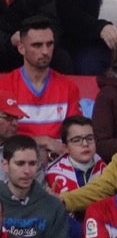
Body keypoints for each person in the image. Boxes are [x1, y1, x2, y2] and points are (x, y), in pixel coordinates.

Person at [0, 17, 81, 152]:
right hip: (14, 164)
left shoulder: (69, 87)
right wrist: (43, 141)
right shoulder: (3, 86)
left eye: (49, 44)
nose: (45, 51)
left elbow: (76, 136)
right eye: (37, 45)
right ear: (21, 48)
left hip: (57, 163)